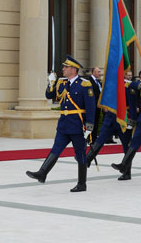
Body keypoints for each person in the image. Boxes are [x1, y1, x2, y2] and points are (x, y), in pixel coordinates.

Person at [26, 55, 96, 192]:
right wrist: (51, 83)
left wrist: (89, 127)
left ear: (74, 69)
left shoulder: (84, 84)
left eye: (66, 67)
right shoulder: (62, 83)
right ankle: (42, 173)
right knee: (56, 149)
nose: (63, 69)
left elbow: (91, 107)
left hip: (78, 125)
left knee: (80, 154)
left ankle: (82, 184)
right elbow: (49, 96)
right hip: (64, 125)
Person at [88, 67, 103, 142]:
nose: (100, 73)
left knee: (96, 121)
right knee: (91, 122)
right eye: (98, 72)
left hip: (97, 106)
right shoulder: (89, 81)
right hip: (92, 106)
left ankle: (94, 137)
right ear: (93, 72)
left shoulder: (98, 82)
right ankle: (90, 138)